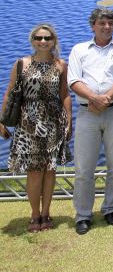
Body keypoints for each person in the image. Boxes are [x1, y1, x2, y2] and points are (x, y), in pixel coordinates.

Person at [68, 8, 113, 235]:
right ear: (93, 25)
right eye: (102, 23)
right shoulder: (79, 50)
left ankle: (110, 209)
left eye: (110, 23)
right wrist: (94, 98)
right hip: (87, 112)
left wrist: (105, 98)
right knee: (83, 167)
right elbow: (74, 80)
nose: (106, 27)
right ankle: (83, 215)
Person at [0, 24, 72, 232]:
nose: (43, 41)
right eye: (38, 38)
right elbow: (10, 92)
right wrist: (2, 120)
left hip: (53, 122)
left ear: (53, 40)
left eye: (47, 38)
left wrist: (69, 121)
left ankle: (46, 212)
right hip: (28, 124)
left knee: (50, 170)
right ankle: (34, 214)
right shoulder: (22, 63)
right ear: (32, 40)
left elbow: (64, 94)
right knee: (34, 171)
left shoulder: (60, 65)